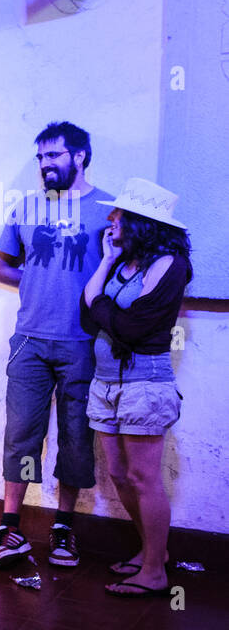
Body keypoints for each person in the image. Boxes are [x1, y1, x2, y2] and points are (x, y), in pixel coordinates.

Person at [0, 121, 114, 568]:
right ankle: (10, 526)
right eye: (41, 156)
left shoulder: (108, 210)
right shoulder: (26, 207)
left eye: (55, 155)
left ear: (79, 156)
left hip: (83, 342)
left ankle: (63, 527)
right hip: (29, 342)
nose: (46, 164)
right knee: (22, 435)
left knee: (76, 438)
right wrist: (41, 280)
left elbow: (121, 274)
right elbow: (0, 269)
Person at [79, 179, 192, 597]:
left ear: (141, 223)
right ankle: (152, 554)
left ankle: (154, 572)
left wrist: (103, 307)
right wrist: (106, 262)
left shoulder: (170, 265)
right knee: (119, 474)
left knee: (145, 478)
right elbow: (88, 315)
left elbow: (132, 328)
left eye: (119, 215)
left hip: (145, 383)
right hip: (105, 382)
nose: (110, 220)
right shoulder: (122, 262)